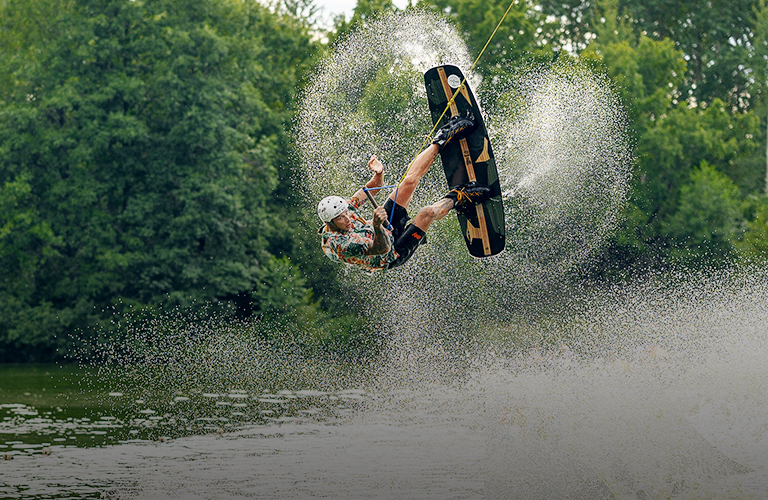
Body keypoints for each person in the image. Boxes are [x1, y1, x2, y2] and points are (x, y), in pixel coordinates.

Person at [317, 113, 492, 272]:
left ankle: (444, 136)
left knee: (408, 182)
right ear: (330, 223)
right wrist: (377, 225)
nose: (347, 218)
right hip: (392, 253)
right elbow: (382, 248)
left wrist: (379, 173)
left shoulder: (345, 209)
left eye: (346, 213)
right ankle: (459, 196)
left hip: (385, 227)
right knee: (427, 213)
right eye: (340, 218)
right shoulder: (340, 245)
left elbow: (374, 187)